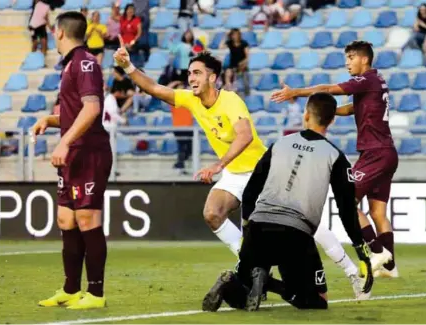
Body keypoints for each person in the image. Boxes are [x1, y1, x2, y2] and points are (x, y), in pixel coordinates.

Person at [202, 93, 373, 312]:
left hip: (258, 228)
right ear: (332, 120)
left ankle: (232, 283)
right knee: (317, 302)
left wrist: (247, 231)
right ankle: (270, 283)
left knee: (241, 296)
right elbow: (347, 210)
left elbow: (250, 192)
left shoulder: (279, 144)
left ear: (306, 115)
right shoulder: (336, 157)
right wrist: (362, 253)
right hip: (297, 235)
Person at [114, 40, 267, 257]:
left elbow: (245, 136)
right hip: (234, 172)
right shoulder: (191, 99)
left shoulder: (230, 100)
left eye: (197, 73)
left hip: (260, 171)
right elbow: (154, 89)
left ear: (212, 78)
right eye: (189, 73)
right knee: (212, 214)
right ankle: (248, 261)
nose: (191, 78)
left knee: (264, 231)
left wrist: (218, 165)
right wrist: (128, 66)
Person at [270, 40, 398, 277]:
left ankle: (378, 252)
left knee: (348, 200)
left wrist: (296, 92)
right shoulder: (376, 81)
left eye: (351, 58)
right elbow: (350, 109)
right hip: (386, 152)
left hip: (375, 153)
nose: (347, 63)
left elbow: (329, 90)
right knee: (378, 212)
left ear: (364, 59)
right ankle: (390, 267)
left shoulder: (366, 80)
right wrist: (328, 110)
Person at [30, 11, 111, 309]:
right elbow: (75, 111)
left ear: (60, 32)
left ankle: (96, 293)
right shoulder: (69, 66)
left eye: (53, 31)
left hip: (89, 151)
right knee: (66, 218)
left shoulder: (85, 62)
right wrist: (49, 120)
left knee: (87, 218)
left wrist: (64, 141)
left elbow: (92, 109)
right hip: (74, 153)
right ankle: (70, 289)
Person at [220, 28, 249, 95]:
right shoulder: (230, 43)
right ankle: (229, 86)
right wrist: (225, 36)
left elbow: (247, 57)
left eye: (236, 34)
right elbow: (220, 46)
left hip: (242, 64)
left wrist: (242, 62)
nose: (235, 36)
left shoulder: (244, 43)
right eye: (233, 35)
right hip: (232, 64)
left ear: (239, 35)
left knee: (240, 69)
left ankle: (244, 89)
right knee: (228, 71)